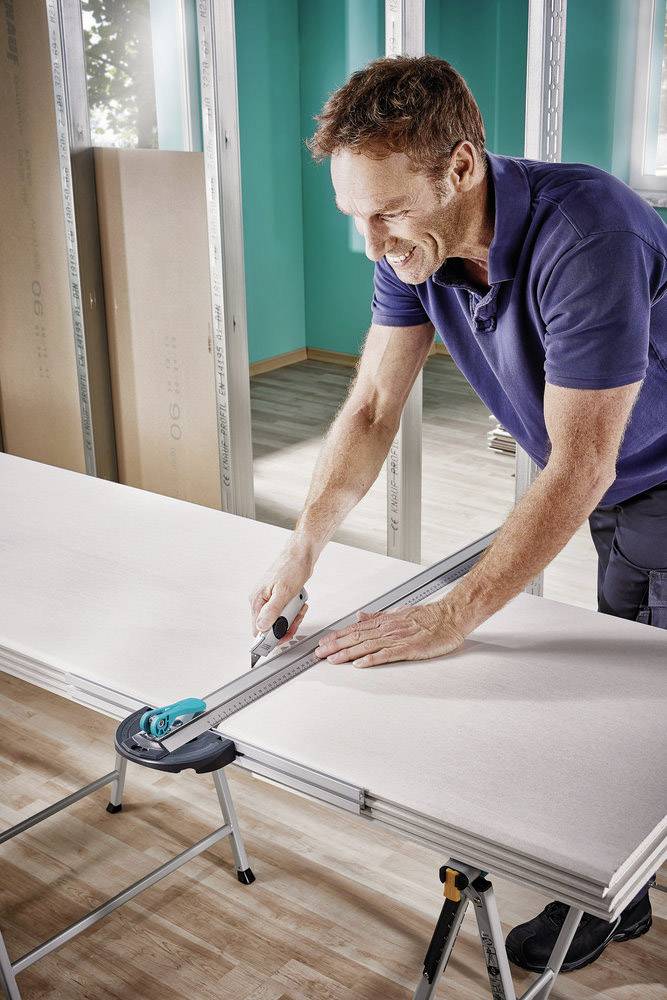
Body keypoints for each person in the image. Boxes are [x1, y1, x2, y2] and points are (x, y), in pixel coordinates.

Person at [250, 55, 666, 973]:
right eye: (356, 216)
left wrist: (451, 616)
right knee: (623, 706)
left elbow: (581, 461)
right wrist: (302, 547)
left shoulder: (587, 231)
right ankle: (617, 895)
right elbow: (369, 408)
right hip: (619, 495)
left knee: (654, 716)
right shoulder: (414, 248)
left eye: (390, 211)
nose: (373, 242)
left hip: (644, 480)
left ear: (463, 167)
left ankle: (617, 886)